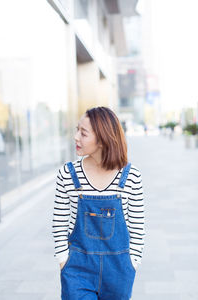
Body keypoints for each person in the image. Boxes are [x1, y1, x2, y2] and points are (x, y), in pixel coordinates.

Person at [52, 106, 145, 300]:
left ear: (103, 138)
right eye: (77, 130)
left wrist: (132, 263)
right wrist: (63, 261)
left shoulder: (131, 177)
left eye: (83, 133)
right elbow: (59, 225)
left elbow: (137, 228)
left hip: (119, 272)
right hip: (77, 270)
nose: (76, 137)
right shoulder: (68, 175)